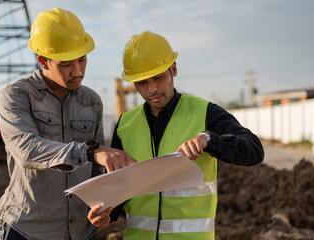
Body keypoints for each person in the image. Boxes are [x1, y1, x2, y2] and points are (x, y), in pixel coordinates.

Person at [109, 31, 264, 239]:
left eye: (158, 77)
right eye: (142, 83)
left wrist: (209, 140)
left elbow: (254, 149)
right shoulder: (125, 125)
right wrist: (107, 212)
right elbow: (118, 187)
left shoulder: (205, 112)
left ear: (173, 69)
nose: (152, 89)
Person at [0, 7, 134, 240]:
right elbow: (26, 150)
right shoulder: (16, 96)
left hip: (81, 232)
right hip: (28, 230)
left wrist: (102, 204)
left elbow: (97, 169)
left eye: (82, 59)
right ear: (43, 61)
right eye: (66, 64)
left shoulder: (92, 101)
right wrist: (89, 152)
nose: (78, 71)